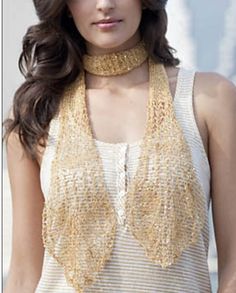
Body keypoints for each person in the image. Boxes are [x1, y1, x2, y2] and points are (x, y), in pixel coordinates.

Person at [4, 0, 236, 292]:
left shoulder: (209, 99)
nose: (105, 5)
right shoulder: (35, 111)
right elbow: (25, 274)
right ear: (63, 5)